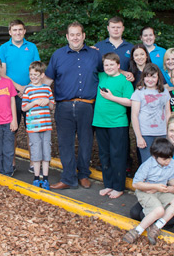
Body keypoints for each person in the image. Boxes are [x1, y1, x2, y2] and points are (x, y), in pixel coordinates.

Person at [44, 21, 102, 190]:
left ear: (83, 36)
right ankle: (68, 177)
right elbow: (47, 81)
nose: (75, 37)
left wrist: (124, 74)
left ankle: (83, 174)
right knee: (65, 143)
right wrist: (32, 92)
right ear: (67, 37)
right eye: (72, 34)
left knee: (86, 142)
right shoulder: (58, 55)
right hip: (64, 107)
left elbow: (108, 74)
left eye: (78, 34)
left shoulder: (95, 55)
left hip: (87, 106)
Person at [129, 112, 174, 240]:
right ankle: (168, 221)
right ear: (167, 131)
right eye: (171, 130)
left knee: (147, 215)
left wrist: (155, 188)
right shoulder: (163, 149)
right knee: (135, 213)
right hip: (162, 191)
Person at [0, 19, 40, 173]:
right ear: (10, 32)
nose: (17, 32)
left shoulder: (32, 47)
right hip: (11, 95)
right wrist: (18, 88)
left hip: (31, 94)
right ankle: (12, 163)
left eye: (20, 29)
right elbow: (2, 73)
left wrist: (27, 88)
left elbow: (38, 70)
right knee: (12, 130)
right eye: (14, 30)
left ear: (24, 31)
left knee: (32, 130)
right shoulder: (3, 48)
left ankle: (34, 163)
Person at [122, 138, 174, 245]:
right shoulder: (147, 165)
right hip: (145, 191)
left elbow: (170, 178)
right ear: (155, 156)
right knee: (159, 211)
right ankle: (137, 231)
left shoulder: (171, 163)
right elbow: (136, 184)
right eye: (164, 159)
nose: (168, 161)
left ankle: (156, 227)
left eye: (170, 158)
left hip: (159, 191)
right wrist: (155, 187)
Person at [93, 53, 134, 199]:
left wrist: (111, 98)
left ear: (118, 66)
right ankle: (108, 184)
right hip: (100, 122)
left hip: (117, 123)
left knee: (118, 155)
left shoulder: (124, 81)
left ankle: (118, 186)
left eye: (112, 64)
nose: (109, 67)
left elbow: (130, 101)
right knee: (105, 155)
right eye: (106, 65)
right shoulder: (102, 77)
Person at [22, 61, 55, 190]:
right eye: (31, 74)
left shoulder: (47, 89)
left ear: (42, 75)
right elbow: (24, 108)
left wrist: (48, 101)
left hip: (46, 126)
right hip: (33, 127)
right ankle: (36, 178)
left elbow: (52, 106)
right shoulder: (28, 89)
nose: (33, 77)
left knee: (46, 152)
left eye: (36, 74)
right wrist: (34, 102)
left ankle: (45, 178)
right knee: (36, 152)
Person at [131, 63, 171, 163]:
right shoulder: (139, 92)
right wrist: (139, 137)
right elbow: (134, 115)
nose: (150, 80)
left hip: (162, 133)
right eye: (147, 76)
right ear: (143, 77)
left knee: (162, 161)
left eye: (153, 77)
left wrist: (168, 132)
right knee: (147, 163)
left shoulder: (164, 91)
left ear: (158, 78)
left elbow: (167, 112)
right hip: (145, 133)